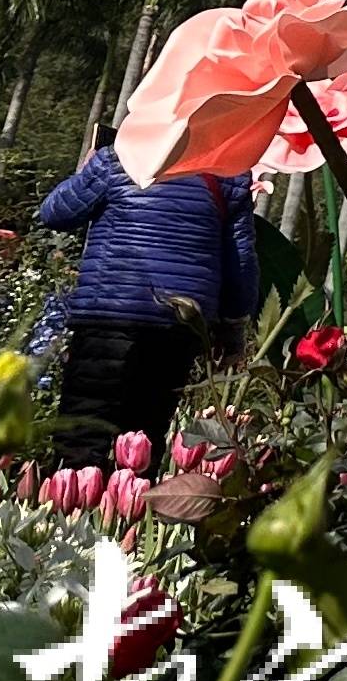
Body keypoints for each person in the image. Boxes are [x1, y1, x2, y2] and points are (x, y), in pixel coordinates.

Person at [31, 147, 257, 465]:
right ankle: (133, 506)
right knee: (144, 434)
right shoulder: (228, 173)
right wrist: (233, 327)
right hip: (179, 321)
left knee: (82, 428)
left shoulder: (119, 158)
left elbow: (55, 214)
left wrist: (87, 172)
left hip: (108, 310)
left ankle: (72, 504)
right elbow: (241, 259)